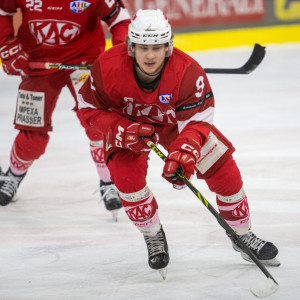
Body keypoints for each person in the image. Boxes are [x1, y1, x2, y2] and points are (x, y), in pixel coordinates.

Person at [76, 9, 280, 276]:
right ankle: (152, 234)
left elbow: (198, 121)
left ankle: (242, 235)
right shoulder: (107, 67)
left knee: (224, 171)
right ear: (131, 47)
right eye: (143, 47)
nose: (150, 55)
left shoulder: (187, 72)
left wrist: (185, 152)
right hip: (127, 127)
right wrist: (119, 128)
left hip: (175, 125)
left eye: (157, 47)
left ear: (168, 46)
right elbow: (87, 108)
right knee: (127, 180)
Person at [0, 0, 131, 219]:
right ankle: (13, 176)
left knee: (99, 123)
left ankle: (108, 181)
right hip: (37, 62)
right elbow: (2, 9)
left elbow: (120, 19)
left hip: (84, 62)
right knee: (31, 137)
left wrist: (118, 54)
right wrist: (5, 43)